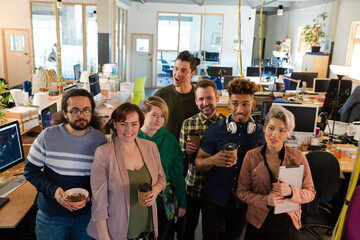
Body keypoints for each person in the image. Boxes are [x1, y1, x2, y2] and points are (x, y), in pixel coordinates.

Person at [23, 89, 107, 240]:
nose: (81, 115)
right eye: (75, 111)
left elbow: (103, 177)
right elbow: (30, 171)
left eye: (86, 110)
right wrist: (54, 191)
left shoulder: (99, 140)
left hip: (87, 215)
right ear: (64, 113)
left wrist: (90, 195)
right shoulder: (47, 136)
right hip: (51, 216)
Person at [195, 78, 266, 240]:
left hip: (241, 201)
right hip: (215, 198)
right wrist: (214, 160)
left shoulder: (261, 134)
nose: (239, 109)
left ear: (253, 105)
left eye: (245, 104)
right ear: (228, 105)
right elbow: (199, 163)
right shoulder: (215, 130)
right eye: (235, 104)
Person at [87, 102, 166, 240]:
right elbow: (99, 204)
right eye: (123, 123)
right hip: (117, 231)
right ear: (115, 124)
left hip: (147, 226)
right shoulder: (103, 153)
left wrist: (156, 190)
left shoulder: (150, 147)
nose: (129, 129)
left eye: (134, 124)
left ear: (140, 125)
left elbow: (162, 178)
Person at [236, 105, 316, 239]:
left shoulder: (298, 157)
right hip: (258, 223)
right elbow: (241, 192)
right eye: (271, 128)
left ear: (288, 133)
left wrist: (291, 191)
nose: (274, 135)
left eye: (281, 131)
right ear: (265, 127)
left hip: (288, 223)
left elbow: (310, 193)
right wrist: (265, 199)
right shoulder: (251, 156)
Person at [179, 79, 225, 240]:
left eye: (209, 98)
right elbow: (181, 159)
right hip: (192, 186)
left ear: (217, 98)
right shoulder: (188, 124)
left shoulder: (226, 124)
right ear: (196, 101)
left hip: (216, 190)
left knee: (212, 232)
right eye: (201, 99)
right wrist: (187, 152)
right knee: (186, 229)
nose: (205, 103)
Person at [137, 96, 187, 240]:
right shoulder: (133, 137)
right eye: (154, 115)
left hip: (164, 202)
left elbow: (177, 175)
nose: (159, 120)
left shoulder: (170, 140)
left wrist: (182, 202)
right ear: (143, 115)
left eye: (162, 116)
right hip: (139, 200)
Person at [154, 50, 200, 141]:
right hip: (165, 148)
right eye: (176, 68)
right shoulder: (161, 95)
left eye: (184, 70)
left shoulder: (199, 96)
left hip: (189, 150)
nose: (178, 73)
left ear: (192, 74)